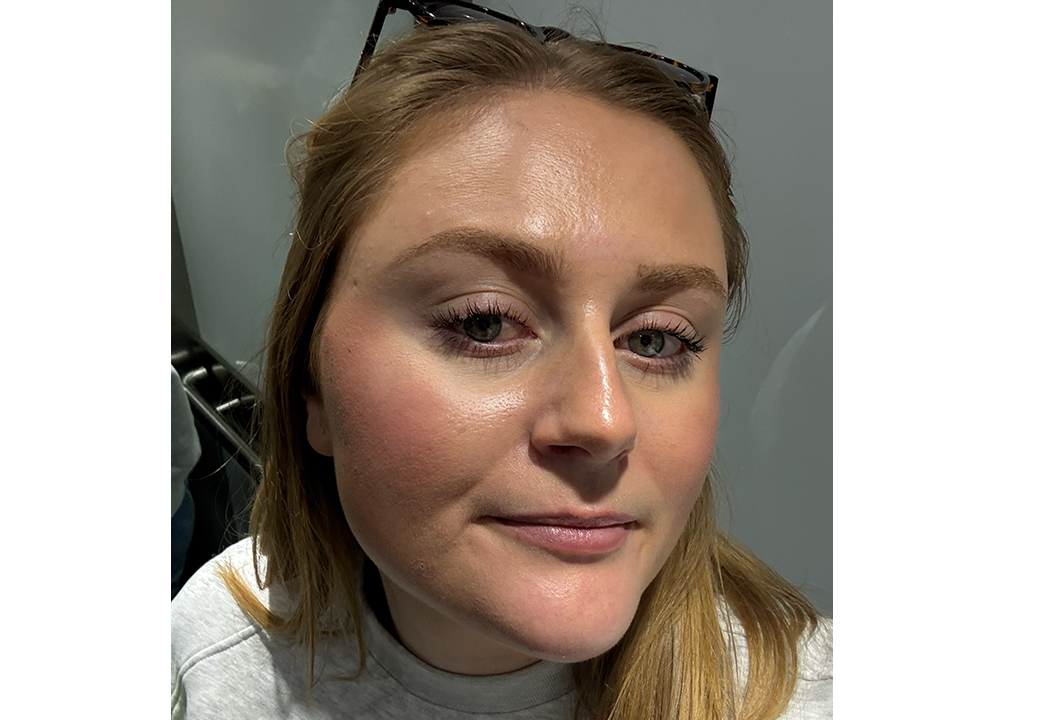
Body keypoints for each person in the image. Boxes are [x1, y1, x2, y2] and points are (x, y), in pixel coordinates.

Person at [171, 3, 832, 718]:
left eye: (655, 339)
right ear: (313, 386)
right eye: (483, 323)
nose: (605, 422)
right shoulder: (216, 647)